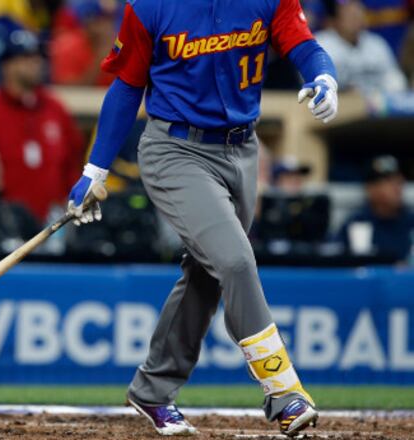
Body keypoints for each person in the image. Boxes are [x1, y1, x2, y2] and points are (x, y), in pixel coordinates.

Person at [67, 0, 339, 436]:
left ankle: (153, 389)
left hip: (242, 150)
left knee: (208, 272)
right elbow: (127, 85)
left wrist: (323, 76)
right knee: (235, 261)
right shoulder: (150, 6)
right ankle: (283, 390)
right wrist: (94, 170)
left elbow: (303, 46)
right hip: (174, 149)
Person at [0, 27, 84, 221]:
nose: (35, 63)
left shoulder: (55, 107)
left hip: (55, 221)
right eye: (25, 57)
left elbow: (73, 161)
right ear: (6, 65)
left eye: (38, 57)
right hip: (4, 221)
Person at [316, 0, 407, 94]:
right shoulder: (321, 46)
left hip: (376, 100)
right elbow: (315, 85)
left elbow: (395, 79)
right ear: (336, 20)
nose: (356, 19)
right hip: (338, 100)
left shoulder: (377, 44)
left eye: (358, 14)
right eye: (350, 16)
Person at [337, 155, 414, 262]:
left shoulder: (411, 222)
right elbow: (336, 259)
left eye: (398, 181)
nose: (397, 187)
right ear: (370, 188)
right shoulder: (356, 223)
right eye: (388, 181)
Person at [50, 0, 118, 86]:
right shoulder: (68, 46)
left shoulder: (119, 45)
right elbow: (67, 89)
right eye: (99, 21)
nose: (106, 27)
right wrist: (98, 62)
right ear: (87, 23)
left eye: (109, 20)